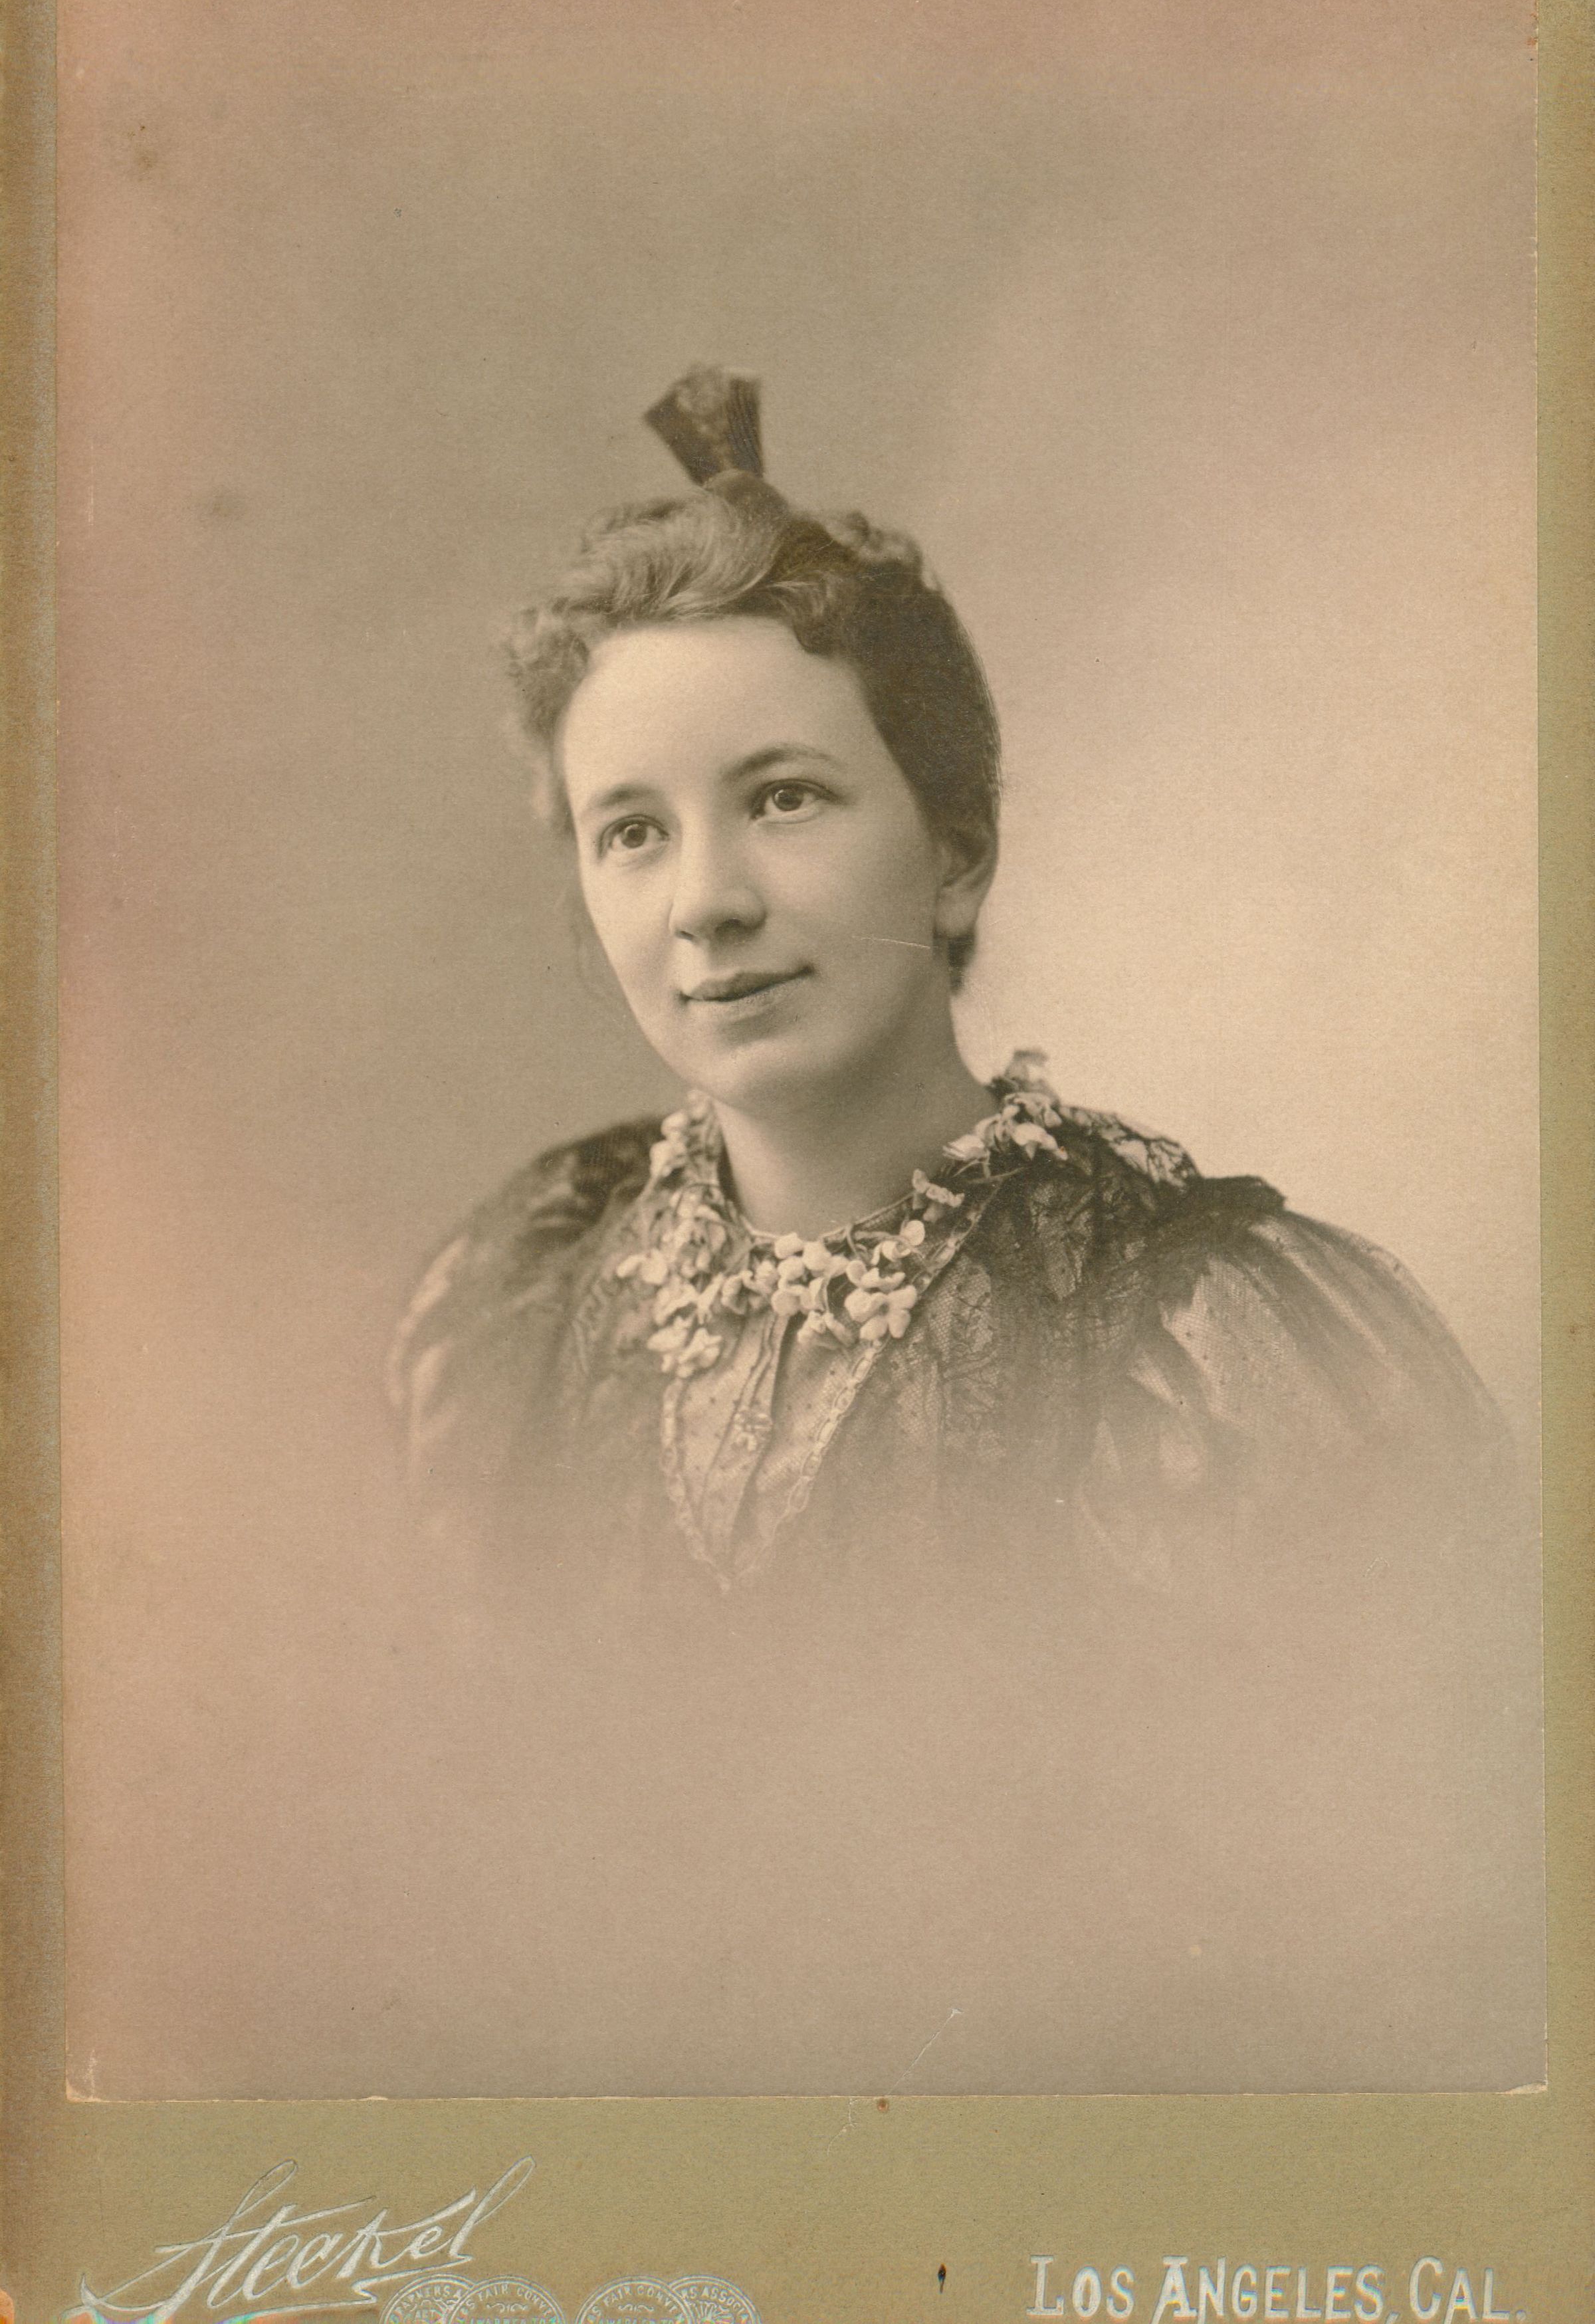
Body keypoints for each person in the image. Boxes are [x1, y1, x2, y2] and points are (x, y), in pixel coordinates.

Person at [381, 368, 1539, 2093]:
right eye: (633, 831)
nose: (706, 901)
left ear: (956, 857)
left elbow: (1398, 1967)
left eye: (784, 796)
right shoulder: (521, 1301)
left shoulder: (1209, 1345)